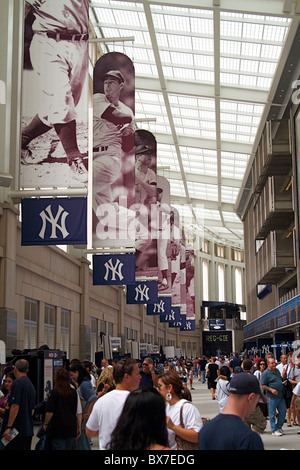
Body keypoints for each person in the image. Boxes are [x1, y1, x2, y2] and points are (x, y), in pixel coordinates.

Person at [21, 0, 89, 183]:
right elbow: (21, 10)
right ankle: (74, 159)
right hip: (48, 41)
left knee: (62, 105)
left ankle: (22, 138)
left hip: (80, 44)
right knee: (61, 98)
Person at [93, 69, 135, 220]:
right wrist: (129, 120)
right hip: (91, 156)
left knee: (85, 183)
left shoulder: (126, 109)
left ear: (121, 85)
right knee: (107, 215)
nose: (107, 86)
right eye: (105, 82)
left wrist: (129, 135)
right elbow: (115, 117)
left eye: (112, 82)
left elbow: (127, 147)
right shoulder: (98, 98)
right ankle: (138, 221)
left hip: (109, 158)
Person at [198, 372, 265, 450]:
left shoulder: (206, 429)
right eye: (256, 402)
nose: (254, 408)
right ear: (251, 398)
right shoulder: (249, 437)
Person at [85, 358, 141, 450]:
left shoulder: (101, 402)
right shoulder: (138, 401)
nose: (140, 377)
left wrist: (106, 429)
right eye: (137, 374)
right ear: (127, 377)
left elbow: (89, 432)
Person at [157, 371, 202, 450]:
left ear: (170, 388)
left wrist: (173, 427)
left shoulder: (187, 408)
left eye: (160, 386)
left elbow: (197, 436)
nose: (157, 390)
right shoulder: (167, 407)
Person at [42, 368, 82, 450]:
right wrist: (79, 427)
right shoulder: (73, 392)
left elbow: (50, 411)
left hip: (57, 428)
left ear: (56, 378)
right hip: (71, 428)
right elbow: (78, 411)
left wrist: (46, 424)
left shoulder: (54, 392)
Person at [2, 359, 36, 450]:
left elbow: (15, 406)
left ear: (15, 369)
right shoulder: (30, 384)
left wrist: (8, 427)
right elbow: (32, 410)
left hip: (16, 430)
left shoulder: (17, 383)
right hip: (28, 430)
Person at [69, 363, 98, 450]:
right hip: (81, 421)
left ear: (77, 373)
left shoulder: (84, 385)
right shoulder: (82, 384)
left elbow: (94, 399)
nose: (71, 377)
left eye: (72, 374)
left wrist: (87, 414)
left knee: (83, 445)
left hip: (83, 422)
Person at [261, 356, 286, 436]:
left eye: (274, 363)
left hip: (280, 395)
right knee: (272, 414)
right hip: (271, 397)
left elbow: (279, 380)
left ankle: (279, 427)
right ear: (268, 364)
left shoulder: (277, 371)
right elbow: (263, 385)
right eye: (272, 363)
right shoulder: (266, 373)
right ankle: (273, 430)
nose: (274, 364)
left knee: (283, 412)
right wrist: (271, 389)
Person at [242, 359, 267, 434]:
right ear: (251, 367)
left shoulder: (237, 378)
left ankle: (245, 438)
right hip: (252, 405)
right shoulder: (253, 378)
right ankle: (251, 436)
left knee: (245, 424)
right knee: (261, 423)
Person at [0, 372, 15, 437]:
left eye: (9, 382)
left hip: (8, 424)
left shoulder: (13, 396)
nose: (6, 384)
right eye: (5, 381)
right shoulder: (7, 394)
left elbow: (9, 411)